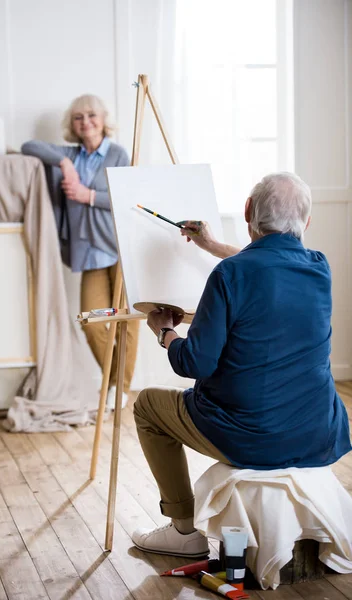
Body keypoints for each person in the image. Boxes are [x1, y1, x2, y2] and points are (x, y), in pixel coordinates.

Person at [131, 172, 352, 558]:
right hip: (319, 431)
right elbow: (267, 262)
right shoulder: (318, 267)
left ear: (248, 210)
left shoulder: (229, 276)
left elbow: (194, 362)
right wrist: (212, 245)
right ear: (307, 222)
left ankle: (184, 530)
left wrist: (165, 331)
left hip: (253, 434)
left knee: (147, 405)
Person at [22, 94, 139, 409]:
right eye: (78, 117)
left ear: (103, 119)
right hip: (90, 252)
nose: (85, 121)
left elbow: (125, 198)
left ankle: (120, 389)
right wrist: (63, 164)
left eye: (91, 114)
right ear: (71, 125)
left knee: (125, 319)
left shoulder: (117, 154)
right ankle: (115, 380)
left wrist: (87, 195)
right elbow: (28, 146)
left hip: (120, 248)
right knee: (94, 319)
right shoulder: (68, 154)